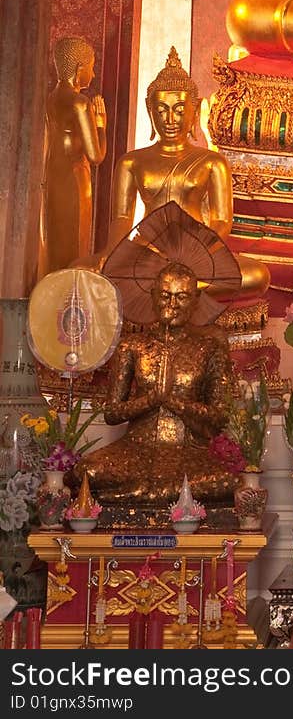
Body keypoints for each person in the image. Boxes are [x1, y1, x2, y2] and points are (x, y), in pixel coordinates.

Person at [96, 46, 268, 296]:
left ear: (195, 110)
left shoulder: (211, 161)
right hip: (147, 249)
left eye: (179, 110)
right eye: (162, 110)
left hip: (197, 251)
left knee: (256, 275)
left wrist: (198, 250)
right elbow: (121, 219)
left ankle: (168, 290)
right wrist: (112, 251)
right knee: (82, 270)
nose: (170, 119)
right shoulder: (132, 162)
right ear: (149, 110)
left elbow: (222, 220)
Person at [74, 262, 237, 505]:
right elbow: (111, 413)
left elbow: (221, 417)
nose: (172, 305)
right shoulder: (133, 345)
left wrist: (175, 403)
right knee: (86, 471)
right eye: (164, 295)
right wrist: (150, 401)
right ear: (152, 296)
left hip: (189, 451)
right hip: (136, 449)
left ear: (196, 299)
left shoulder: (209, 348)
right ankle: (164, 494)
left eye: (181, 297)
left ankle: (136, 494)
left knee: (231, 480)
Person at [40, 37, 106, 278]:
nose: (94, 73)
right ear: (80, 69)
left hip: (52, 176)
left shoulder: (50, 99)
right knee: (75, 244)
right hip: (75, 179)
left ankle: (50, 292)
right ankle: (69, 299)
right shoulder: (80, 103)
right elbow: (96, 155)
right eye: (92, 66)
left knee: (53, 240)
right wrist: (101, 126)